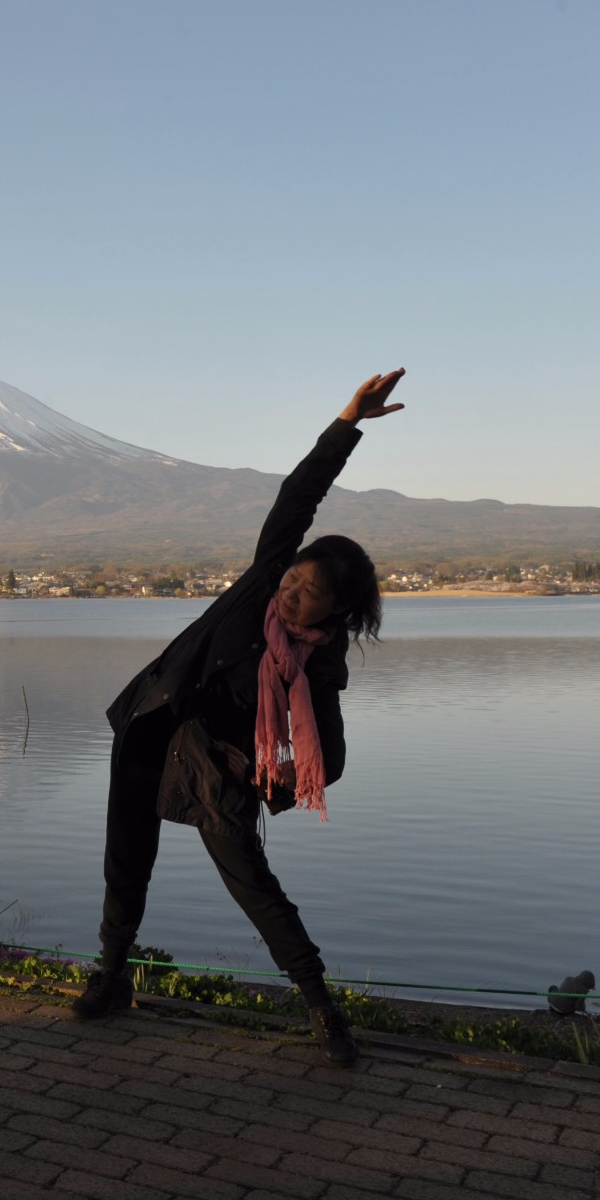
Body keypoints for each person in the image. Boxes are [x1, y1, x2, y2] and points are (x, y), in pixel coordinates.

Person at [74, 369, 406, 1069]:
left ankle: (321, 1007)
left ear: (334, 611)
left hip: (220, 767)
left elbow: (331, 759)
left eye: (307, 593)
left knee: (255, 889)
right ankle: (110, 977)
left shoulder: (317, 668)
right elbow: (299, 497)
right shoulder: (260, 580)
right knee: (124, 860)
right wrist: (346, 423)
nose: (289, 593)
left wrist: (269, 781)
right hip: (154, 722)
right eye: (291, 578)